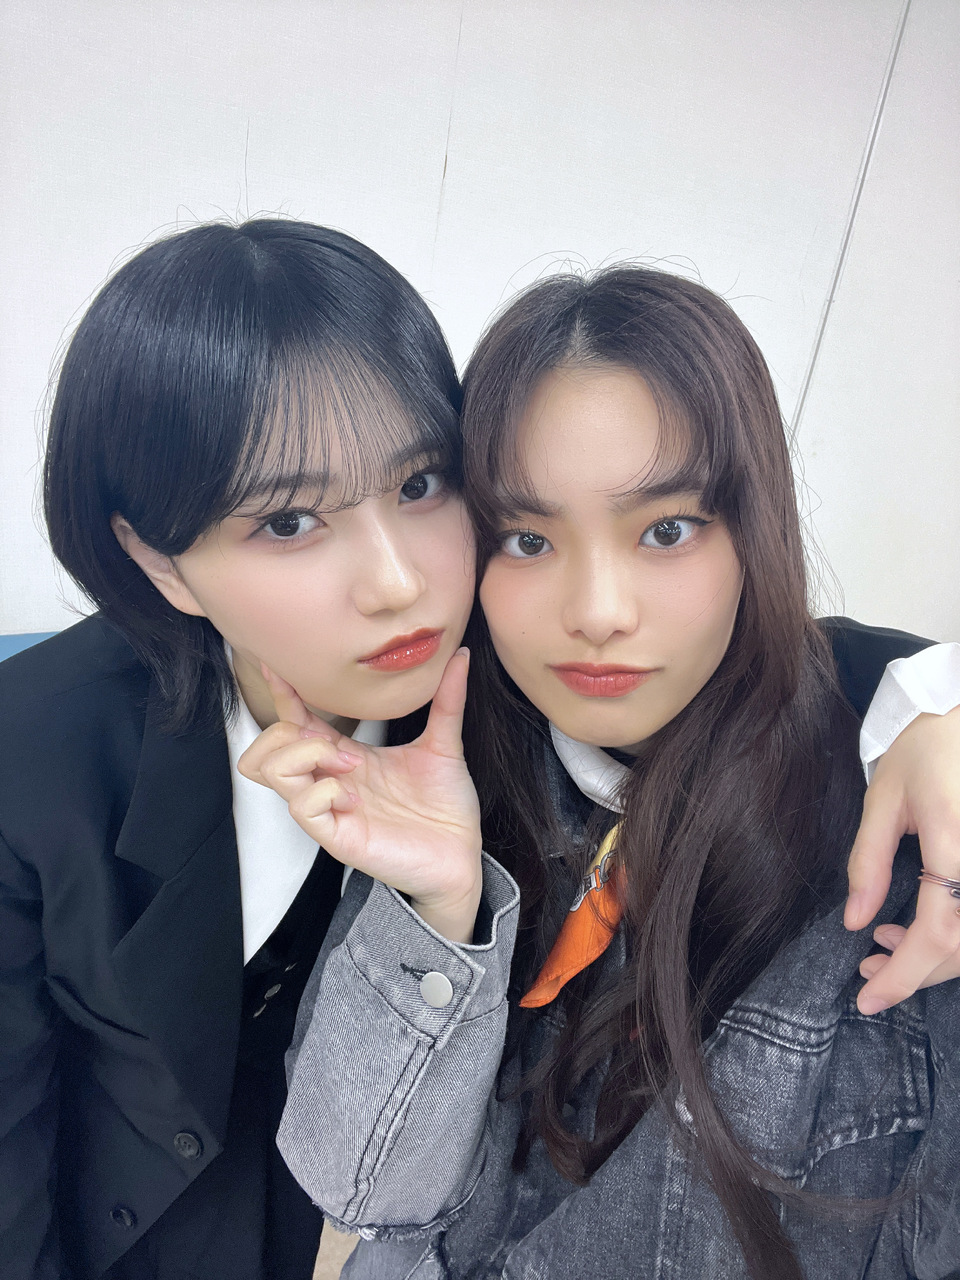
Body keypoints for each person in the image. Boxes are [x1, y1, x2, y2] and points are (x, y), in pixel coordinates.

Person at [245, 266, 960, 1279]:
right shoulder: (457, 771)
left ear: (754, 529)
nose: (595, 611)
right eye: (527, 539)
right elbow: (358, 1195)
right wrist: (441, 911)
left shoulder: (900, 851)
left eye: (665, 530)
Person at [0, 218, 476, 1280]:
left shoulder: (510, 671)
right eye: (290, 522)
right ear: (159, 561)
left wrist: (884, 719)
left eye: (420, 483)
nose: (400, 581)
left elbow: (762, 663)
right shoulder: (32, 755)